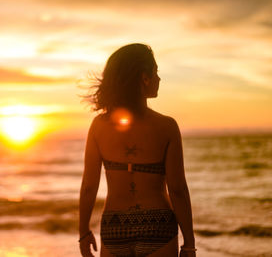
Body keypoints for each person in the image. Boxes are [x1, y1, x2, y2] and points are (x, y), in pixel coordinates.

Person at [78, 43, 196, 257]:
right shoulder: (167, 127)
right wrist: (189, 243)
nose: (159, 79)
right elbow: (178, 189)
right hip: (158, 224)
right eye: (156, 72)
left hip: (115, 226)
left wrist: (84, 232)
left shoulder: (98, 127)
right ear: (144, 78)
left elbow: (89, 186)